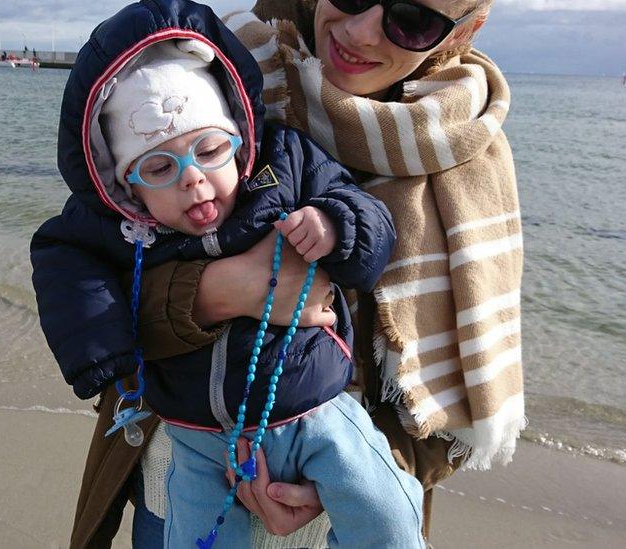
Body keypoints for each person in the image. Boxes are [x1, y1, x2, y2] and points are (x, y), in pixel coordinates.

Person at [66, 0, 524, 547]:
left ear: (464, 31)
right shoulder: (201, 72)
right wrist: (218, 292)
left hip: (345, 489)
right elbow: (90, 286)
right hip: (182, 465)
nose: (359, 31)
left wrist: (337, 481)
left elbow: (454, 399)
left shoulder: (472, 157)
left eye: (412, 19)